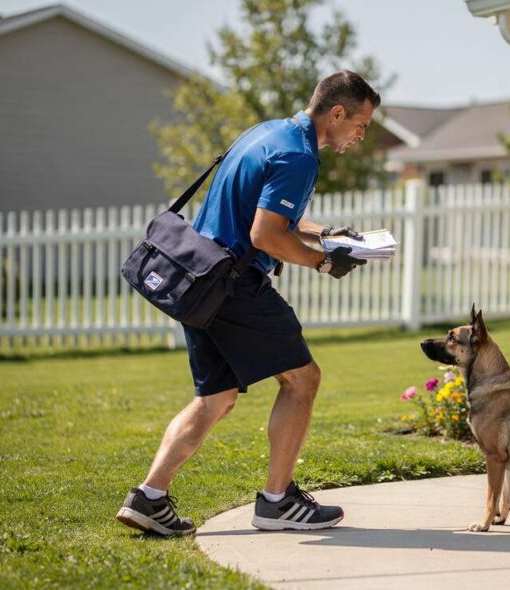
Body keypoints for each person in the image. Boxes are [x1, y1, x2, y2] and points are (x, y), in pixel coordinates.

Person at [116, 70, 380, 536]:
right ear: (337, 113)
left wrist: (328, 234)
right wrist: (322, 263)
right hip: (235, 285)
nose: (360, 135)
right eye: (361, 125)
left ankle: (148, 498)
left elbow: (268, 214)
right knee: (302, 379)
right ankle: (277, 502)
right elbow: (266, 235)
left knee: (214, 397)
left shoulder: (265, 132)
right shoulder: (299, 156)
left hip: (198, 280)